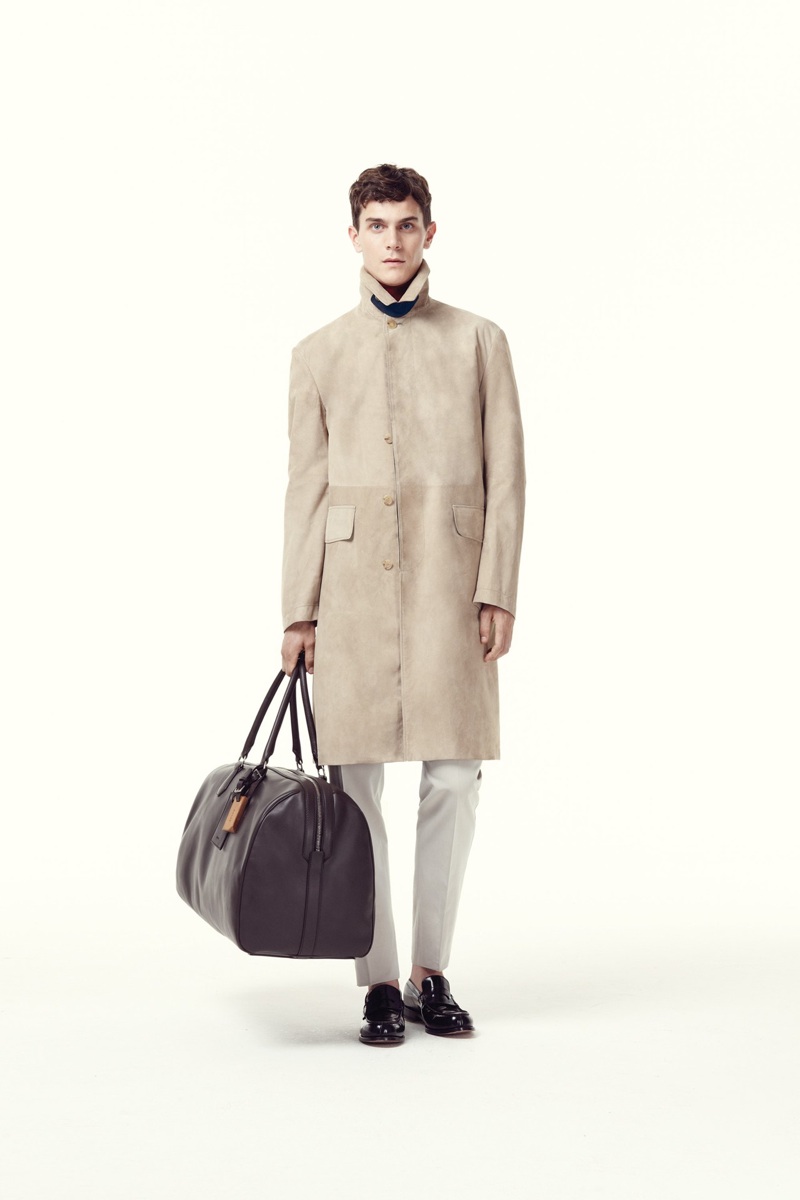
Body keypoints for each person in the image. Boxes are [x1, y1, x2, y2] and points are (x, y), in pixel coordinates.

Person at [280, 163, 525, 1045]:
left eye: (406, 224)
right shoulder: (317, 353)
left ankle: (431, 970)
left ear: (429, 232)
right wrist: (298, 612)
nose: (392, 240)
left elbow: (508, 476)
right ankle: (379, 979)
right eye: (377, 225)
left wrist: (498, 587)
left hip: (450, 586)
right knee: (356, 791)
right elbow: (306, 489)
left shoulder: (479, 341)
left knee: (454, 777)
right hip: (347, 595)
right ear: (353, 236)